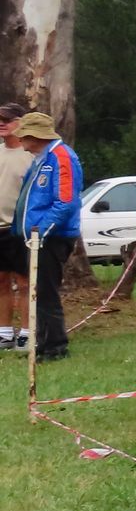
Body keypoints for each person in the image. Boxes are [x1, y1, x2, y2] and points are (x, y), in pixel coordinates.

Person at [13, 112, 84, 360]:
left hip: (50, 238)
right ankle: (41, 342)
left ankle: (55, 347)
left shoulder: (61, 157)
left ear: (35, 136)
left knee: (46, 292)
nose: (21, 142)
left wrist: (41, 232)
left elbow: (65, 202)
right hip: (34, 238)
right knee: (37, 292)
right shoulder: (42, 158)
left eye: (24, 137)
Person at [0, 104, 29, 348]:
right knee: (1, 280)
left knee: (24, 282)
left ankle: (27, 332)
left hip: (21, 229)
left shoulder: (31, 155)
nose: (2, 123)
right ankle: (5, 332)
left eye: (7, 119)